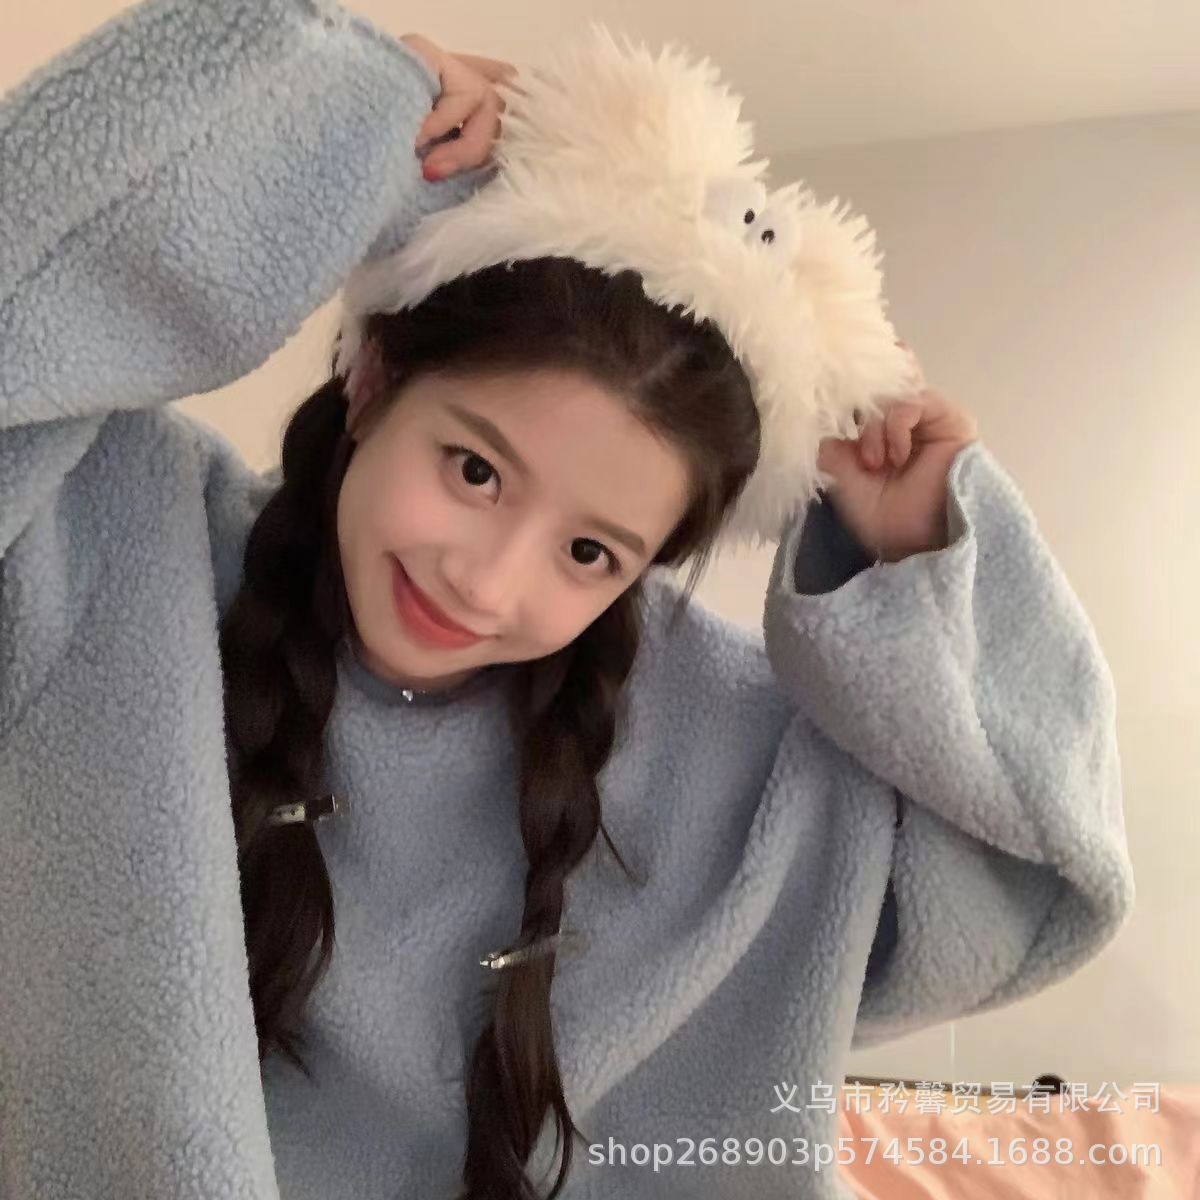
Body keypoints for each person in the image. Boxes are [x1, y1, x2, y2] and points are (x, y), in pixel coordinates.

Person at [0, 1, 1134, 1198]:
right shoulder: (120, 544)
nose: (487, 584)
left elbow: (1026, 892)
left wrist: (920, 567)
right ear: (374, 378)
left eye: (592, 552)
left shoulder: (718, 753)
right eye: (475, 470)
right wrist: (335, 118)